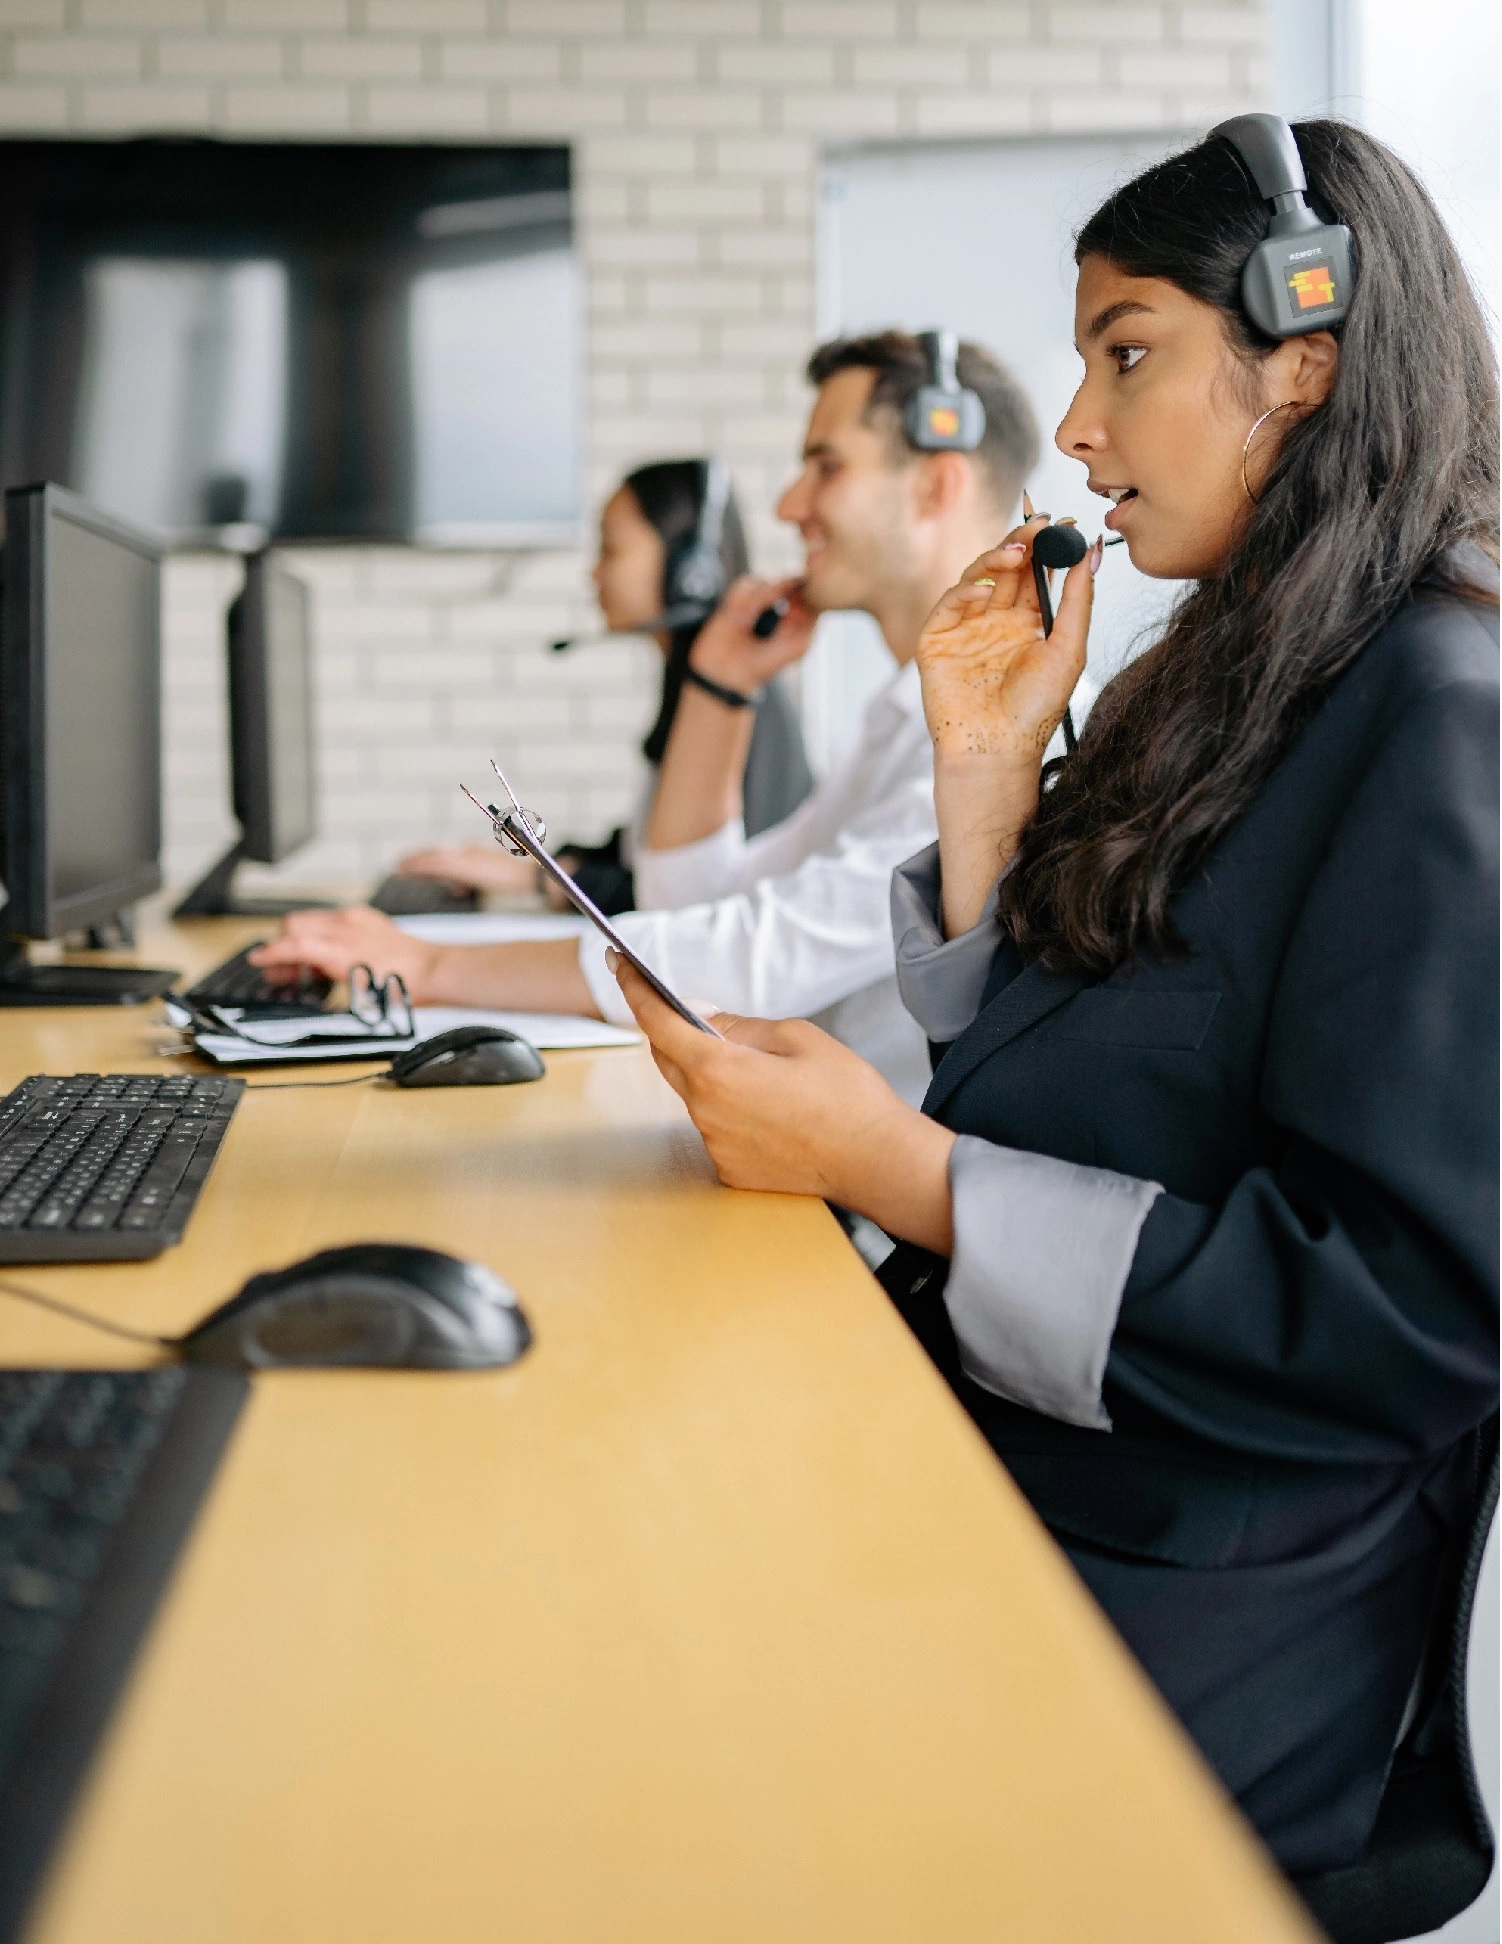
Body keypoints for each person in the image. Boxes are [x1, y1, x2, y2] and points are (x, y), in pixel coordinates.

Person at [607, 120, 1499, 1873]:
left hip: (1197, 1579)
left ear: (1301, 360)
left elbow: (1398, 1308)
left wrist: (890, 1166)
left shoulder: (1440, 713)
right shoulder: (1239, 676)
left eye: (1128, 350)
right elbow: (1068, 1069)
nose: (1078, 426)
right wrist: (986, 776)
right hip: (1047, 1456)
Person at [253, 333, 1043, 1102]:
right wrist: (718, 687)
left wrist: (427, 969)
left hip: (854, 1222)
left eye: (826, 466)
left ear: (938, 483)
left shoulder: (999, 736)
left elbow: (751, 962)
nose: (788, 503)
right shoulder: (897, 717)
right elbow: (688, 907)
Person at [396, 459, 813, 915]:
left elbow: (691, 898)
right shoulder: (691, 683)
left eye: (611, 550)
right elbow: (646, 848)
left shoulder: (733, 702)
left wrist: (534, 878)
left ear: (691, 569)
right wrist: (545, 865)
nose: (593, 574)